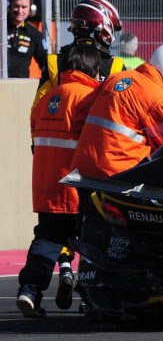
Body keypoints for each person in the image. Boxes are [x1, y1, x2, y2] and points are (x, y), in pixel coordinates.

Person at [17, 44, 101, 318]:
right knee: (94, 242)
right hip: (76, 186)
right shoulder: (89, 98)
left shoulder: (47, 98)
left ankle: (29, 291)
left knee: (46, 239)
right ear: (91, 68)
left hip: (45, 184)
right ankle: (91, 297)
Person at [70, 43, 163, 181]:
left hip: (83, 169)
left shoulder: (117, 77)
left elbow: (81, 113)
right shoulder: (159, 99)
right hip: (118, 177)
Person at [32, 0, 125, 109]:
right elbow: (122, 109)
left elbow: (39, 107)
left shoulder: (54, 62)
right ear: (104, 27)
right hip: (96, 126)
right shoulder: (115, 66)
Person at [7, 0, 48, 78]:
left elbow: (44, 61)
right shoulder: (2, 27)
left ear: (30, 10)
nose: (19, 11)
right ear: (10, 6)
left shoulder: (34, 33)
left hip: (22, 86)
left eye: (24, 7)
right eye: (16, 6)